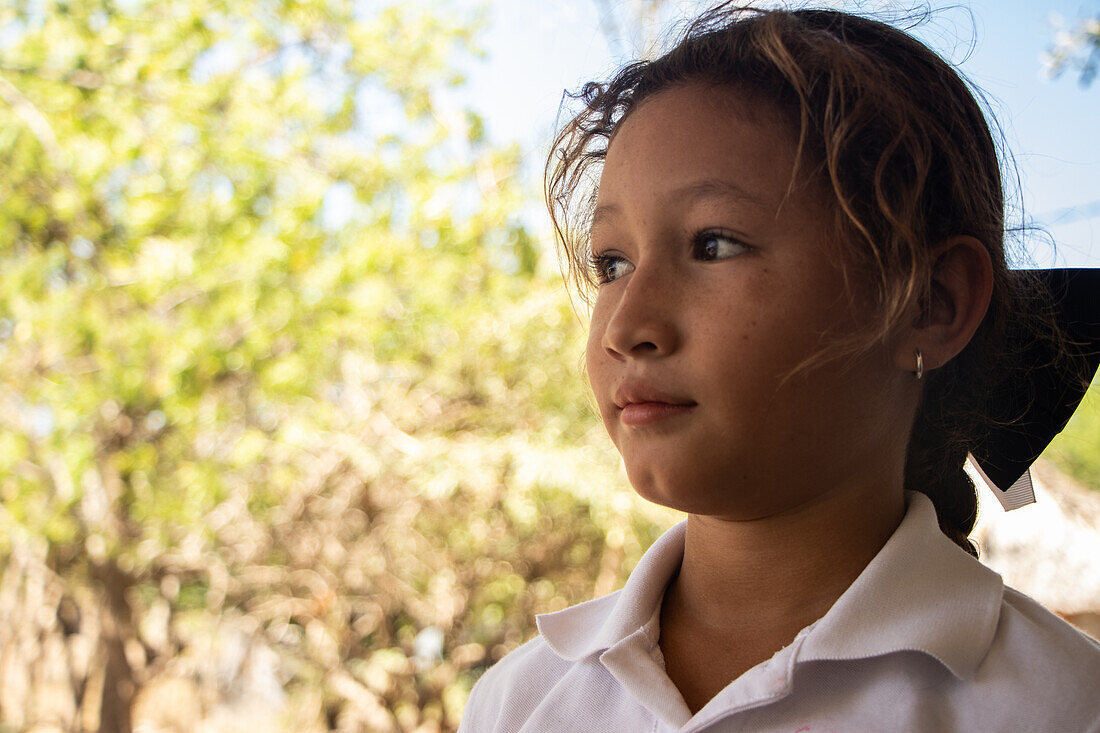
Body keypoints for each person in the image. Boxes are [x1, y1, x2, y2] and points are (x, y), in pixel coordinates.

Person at [459, 5, 1100, 731]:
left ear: (931, 304)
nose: (628, 326)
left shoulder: (1063, 705)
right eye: (612, 262)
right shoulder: (522, 700)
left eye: (714, 246)